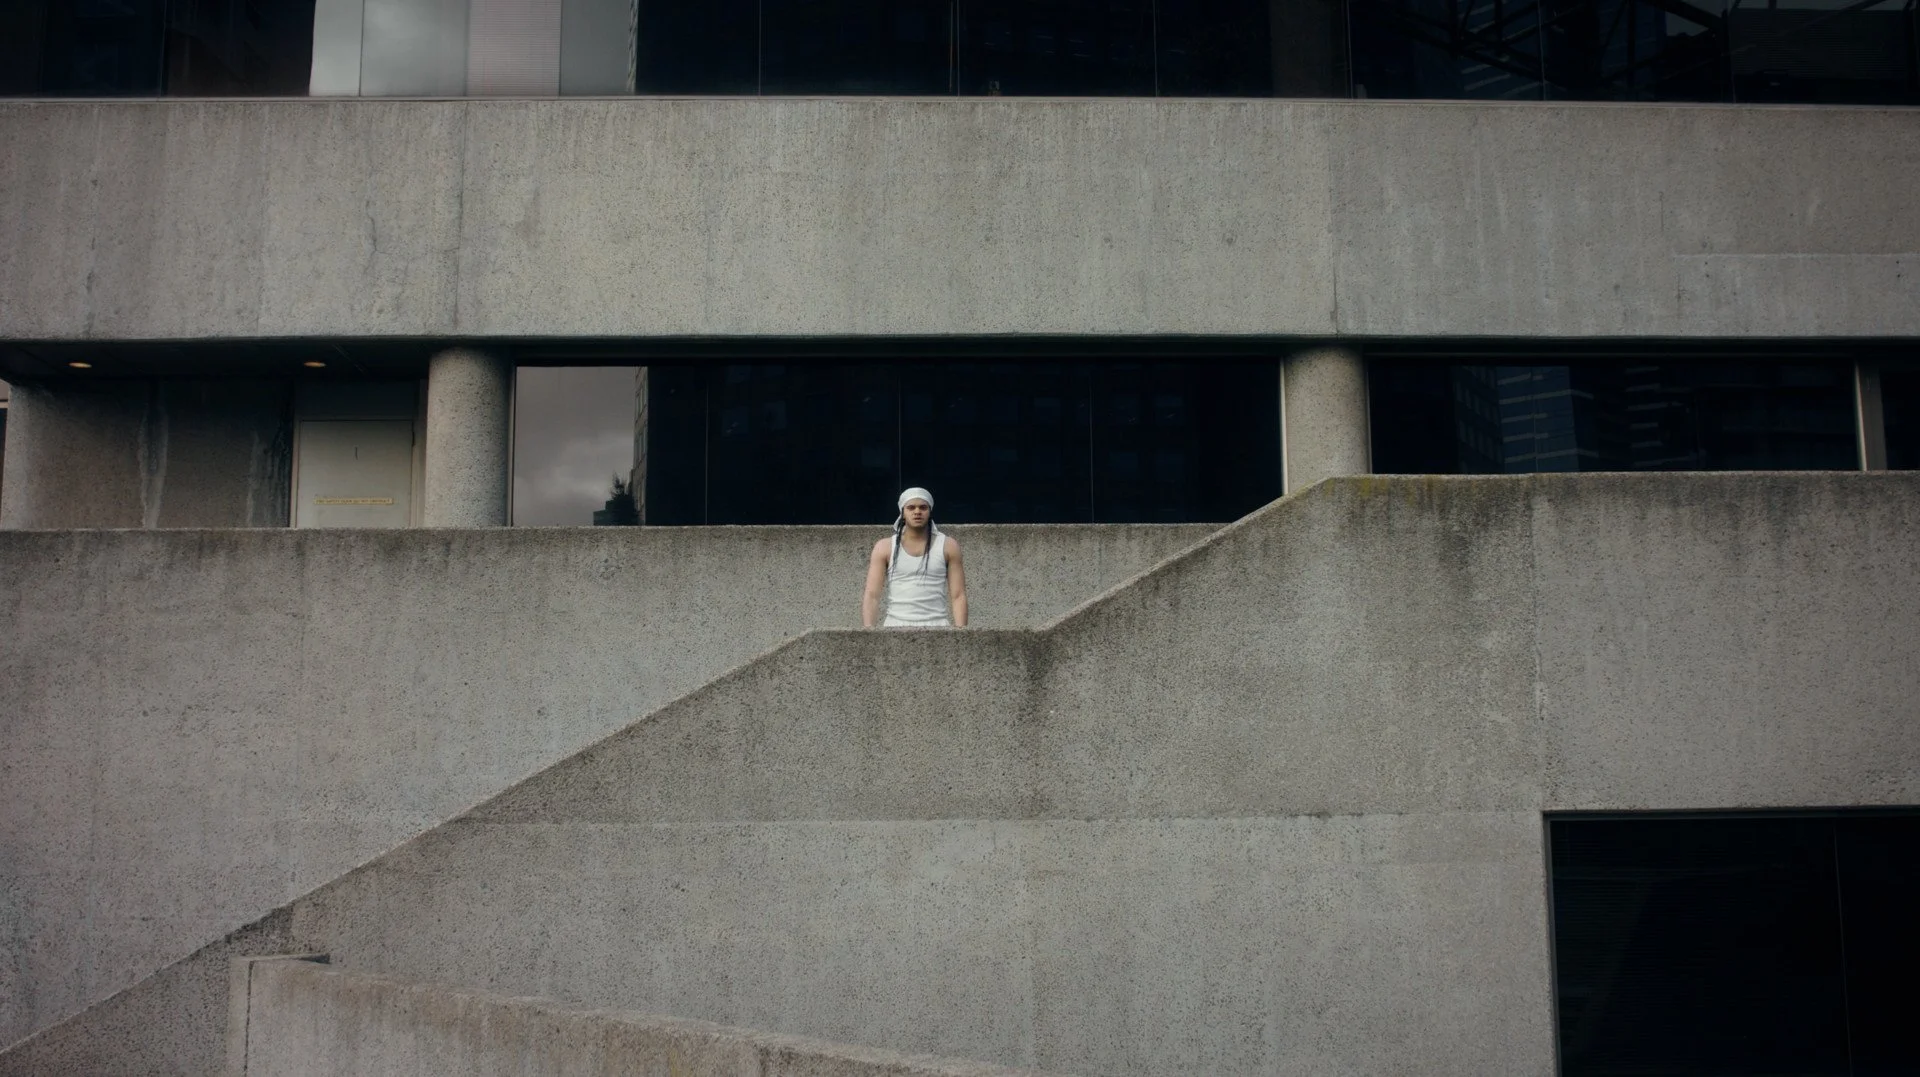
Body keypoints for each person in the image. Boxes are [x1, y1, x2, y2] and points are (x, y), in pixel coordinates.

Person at [862, 487, 967, 628]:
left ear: (930, 512)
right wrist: (869, 632)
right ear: (903, 513)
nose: (917, 512)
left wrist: (961, 634)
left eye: (923, 507)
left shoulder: (948, 546)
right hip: (894, 627)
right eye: (911, 507)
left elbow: (958, 595)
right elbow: (872, 595)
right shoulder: (884, 547)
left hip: (938, 628)